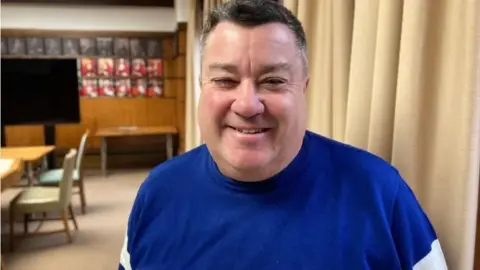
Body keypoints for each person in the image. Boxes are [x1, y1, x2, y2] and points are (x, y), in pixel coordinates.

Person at [119, 0, 448, 269]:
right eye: (225, 80)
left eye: (273, 81)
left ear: (303, 88)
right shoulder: (157, 193)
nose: (247, 105)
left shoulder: (381, 194)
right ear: (202, 87)